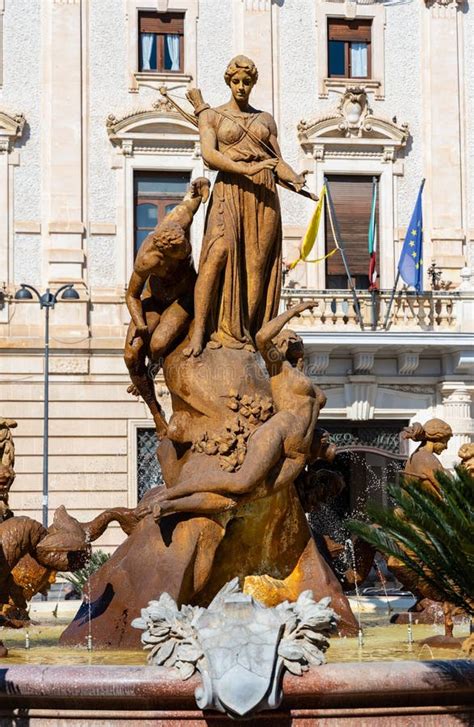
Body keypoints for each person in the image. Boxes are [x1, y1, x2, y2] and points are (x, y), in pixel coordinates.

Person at [141, 301, 326, 519]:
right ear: (282, 343)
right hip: (280, 431)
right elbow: (262, 338)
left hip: (298, 453)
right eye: (291, 338)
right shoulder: (279, 366)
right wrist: (294, 311)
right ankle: (171, 494)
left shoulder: (301, 375)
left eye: (297, 339)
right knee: (241, 483)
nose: (296, 341)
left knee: (240, 498)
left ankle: (170, 507)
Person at [183, 55, 306, 357]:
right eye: (236, 81)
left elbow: (276, 160)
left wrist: (294, 178)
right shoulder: (212, 116)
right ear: (229, 82)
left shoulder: (265, 120)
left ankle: (245, 338)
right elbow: (209, 156)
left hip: (262, 197)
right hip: (230, 189)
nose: (241, 87)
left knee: (256, 268)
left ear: (253, 84)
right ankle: (200, 333)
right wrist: (245, 169)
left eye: (246, 82)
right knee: (216, 258)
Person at [124, 177, 210, 438]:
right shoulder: (147, 260)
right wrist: (140, 325)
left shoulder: (178, 223)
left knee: (158, 345)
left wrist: (201, 187)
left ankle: (151, 370)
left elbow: (191, 200)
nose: (176, 265)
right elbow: (131, 295)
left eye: (183, 257)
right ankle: (156, 414)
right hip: (153, 298)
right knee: (131, 355)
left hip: (183, 297)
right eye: (173, 261)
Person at [401, 418, 453, 497]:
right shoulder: (425, 458)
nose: (446, 447)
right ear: (435, 438)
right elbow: (444, 488)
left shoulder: (417, 455)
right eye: (445, 441)